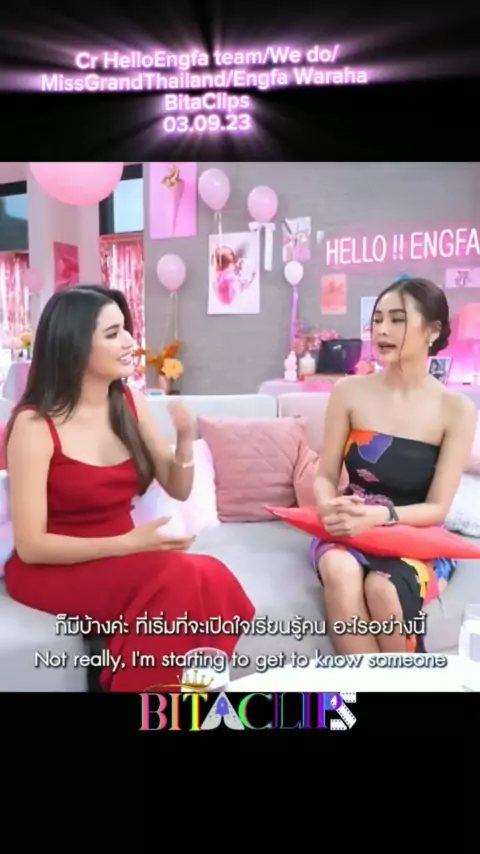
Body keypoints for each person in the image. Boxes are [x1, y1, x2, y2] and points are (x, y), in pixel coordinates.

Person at [3, 285, 255, 692]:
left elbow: (178, 487)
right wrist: (129, 543)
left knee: (212, 576)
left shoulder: (129, 403)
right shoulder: (34, 426)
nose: (129, 343)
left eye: (125, 329)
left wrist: (185, 440)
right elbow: (32, 546)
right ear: (74, 345)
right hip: (53, 567)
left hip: (124, 556)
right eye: (112, 333)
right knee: (183, 578)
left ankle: (182, 700)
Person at [311, 277, 477, 654]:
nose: (382, 330)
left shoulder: (456, 410)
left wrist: (381, 517)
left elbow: (437, 508)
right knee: (339, 569)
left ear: (432, 331)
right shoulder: (348, 392)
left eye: (397, 319)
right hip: (351, 529)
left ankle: (402, 680)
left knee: (383, 588)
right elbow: (325, 477)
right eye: (378, 319)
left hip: (415, 535)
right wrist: (329, 506)